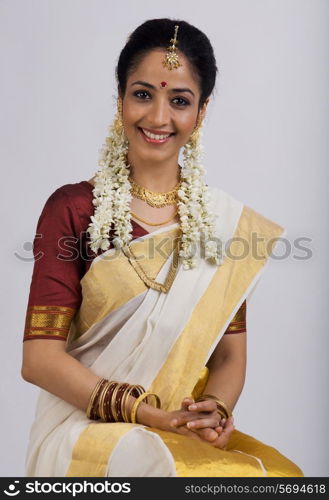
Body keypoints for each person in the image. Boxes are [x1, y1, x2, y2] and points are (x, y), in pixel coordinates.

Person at [21, 18, 303, 477]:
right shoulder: (73, 209)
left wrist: (213, 410)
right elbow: (39, 361)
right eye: (143, 93)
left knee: (281, 477)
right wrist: (146, 415)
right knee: (161, 467)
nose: (158, 117)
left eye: (179, 101)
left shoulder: (220, 223)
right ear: (120, 98)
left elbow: (230, 355)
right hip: (88, 428)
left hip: (177, 428)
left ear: (202, 111)